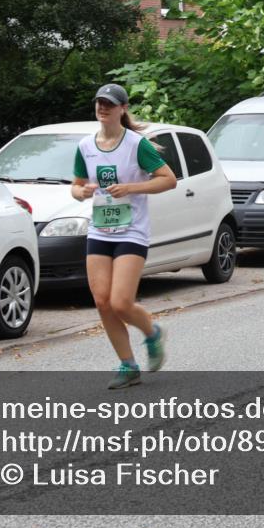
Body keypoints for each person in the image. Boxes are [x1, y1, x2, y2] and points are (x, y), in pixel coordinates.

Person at [71, 83, 176, 389]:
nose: (103, 108)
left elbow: (168, 180)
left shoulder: (135, 145)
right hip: (100, 229)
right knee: (102, 301)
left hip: (132, 230)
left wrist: (131, 188)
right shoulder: (85, 146)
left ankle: (153, 333)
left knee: (120, 302)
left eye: (109, 104)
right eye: (99, 103)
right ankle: (128, 365)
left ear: (123, 109)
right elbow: (75, 186)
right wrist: (83, 191)